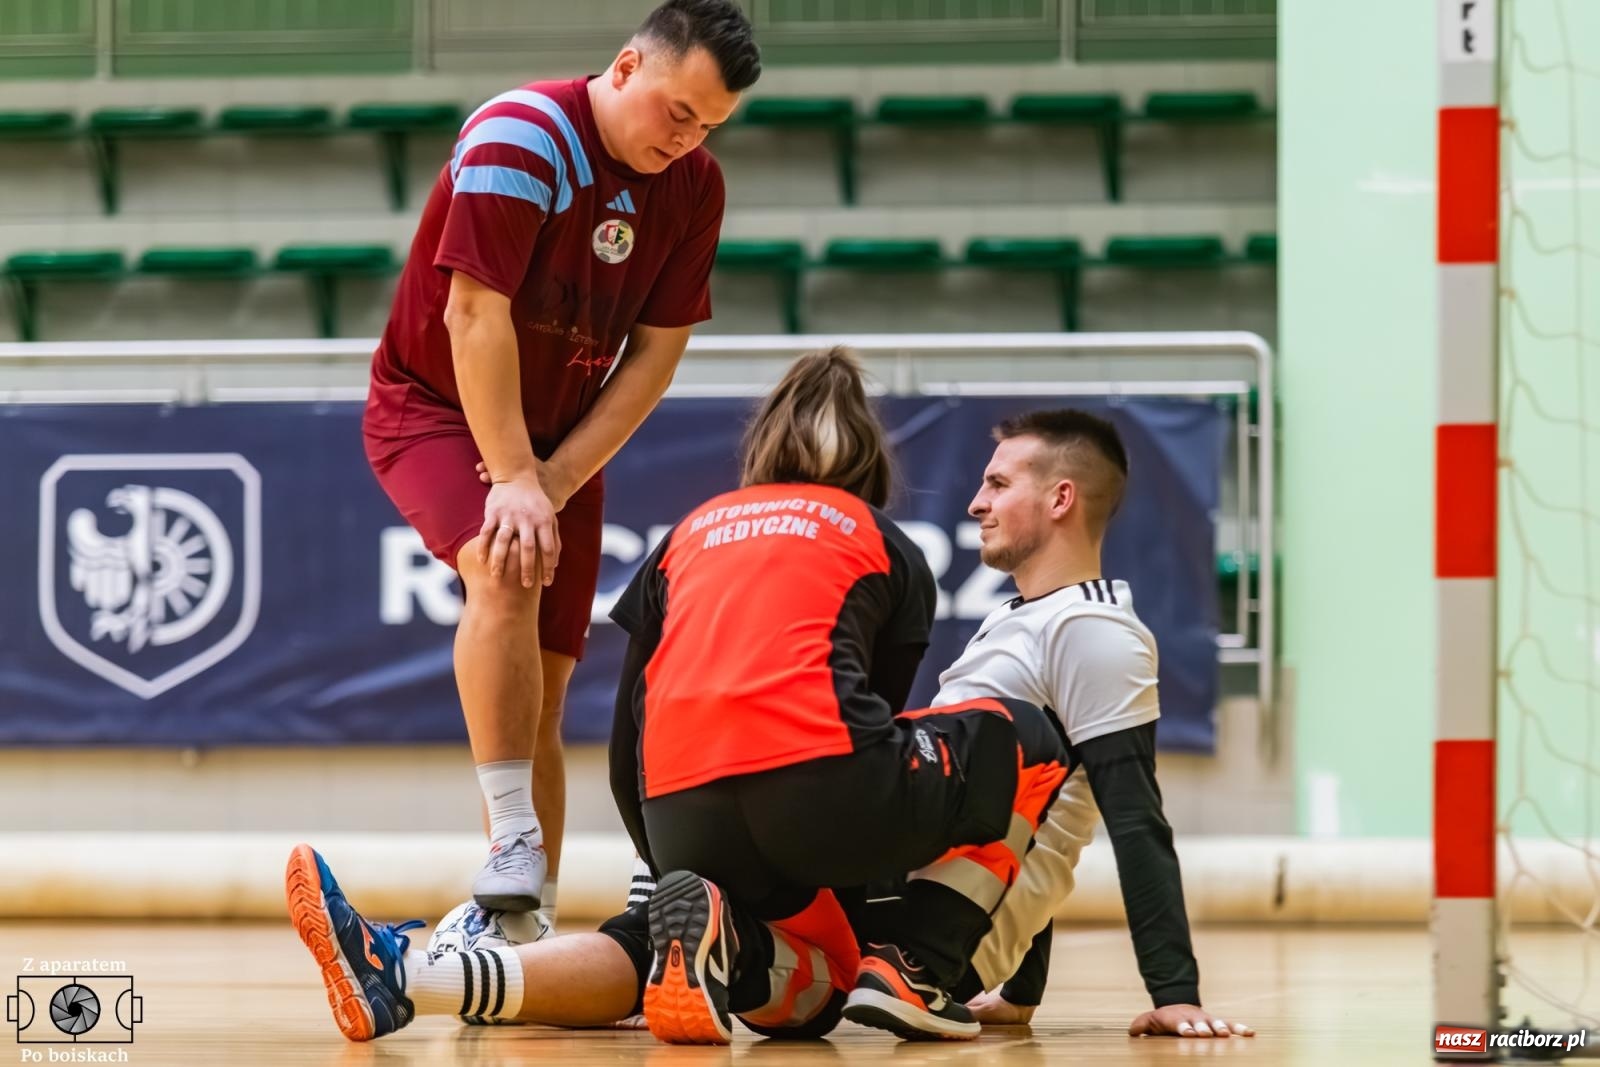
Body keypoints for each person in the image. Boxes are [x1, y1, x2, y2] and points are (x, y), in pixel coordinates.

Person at [287, 401, 1253, 1043]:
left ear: (1063, 496)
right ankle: (409, 973)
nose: (974, 499)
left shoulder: (1098, 630)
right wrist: (1017, 997)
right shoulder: (1016, 621)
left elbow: (1125, 812)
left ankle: (907, 967)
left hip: (910, 922)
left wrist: (1174, 993)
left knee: (1001, 743)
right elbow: (1016, 809)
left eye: (999, 482)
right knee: (664, 941)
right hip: (868, 879)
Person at [361, 0, 759, 921]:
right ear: (625, 68)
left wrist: (552, 480)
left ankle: (524, 918)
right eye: (677, 111)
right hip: (436, 408)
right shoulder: (523, 132)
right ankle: (510, 835)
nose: (688, 137)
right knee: (501, 571)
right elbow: (473, 316)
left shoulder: (695, 185)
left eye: (708, 124)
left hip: (553, 447)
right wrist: (510, 480)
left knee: (543, 684)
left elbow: (655, 358)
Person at [605, 349, 1068, 1044]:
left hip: (681, 822)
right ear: (869, 460)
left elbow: (625, 743)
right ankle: (919, 964)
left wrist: (675, 864)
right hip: (823, 795)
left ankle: (737, 939)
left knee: (819, 994)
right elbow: (873, 728)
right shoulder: (886, 543)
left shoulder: (685, 534)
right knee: (1029, 736)